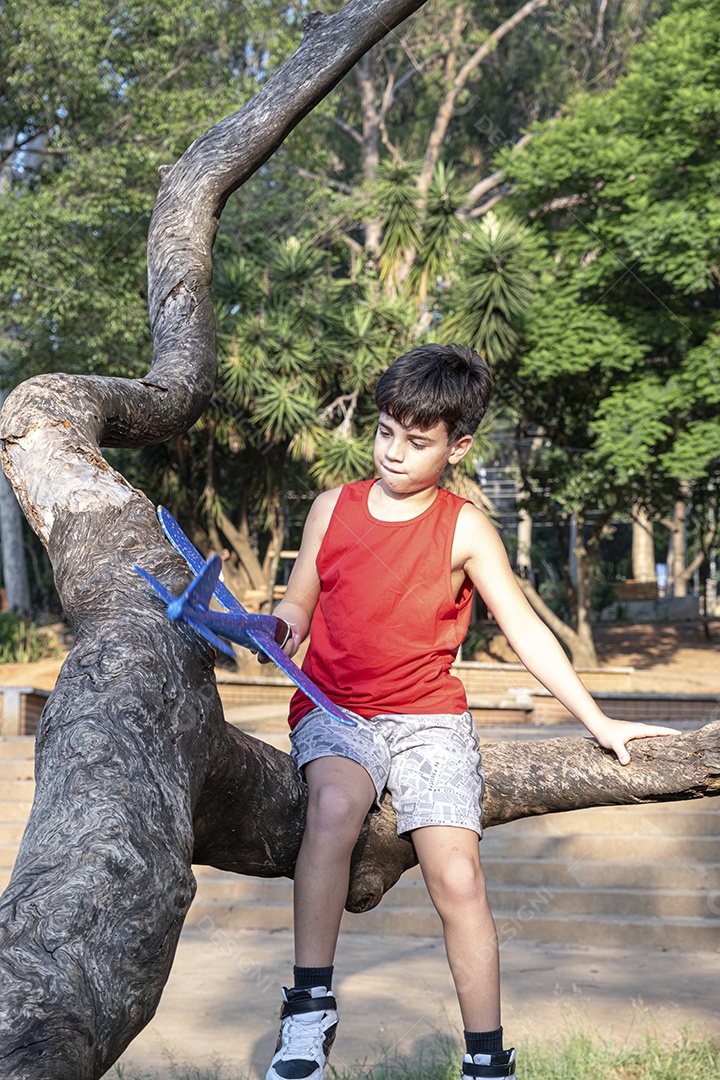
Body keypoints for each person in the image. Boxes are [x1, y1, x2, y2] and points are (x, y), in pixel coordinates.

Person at [263, 343, 677, 1080]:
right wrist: (281, 623)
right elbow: (301, 597)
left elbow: (523, 631)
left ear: (459, 448)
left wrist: (600, 722)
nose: (394, 452)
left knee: (458, 876)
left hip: (429, 717)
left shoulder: (465, 527)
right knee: (332, 811)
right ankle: (308, 1013)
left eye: (417, 442)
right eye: (386, 431)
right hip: (334, 708)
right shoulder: (334, 507)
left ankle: (487, 1056)